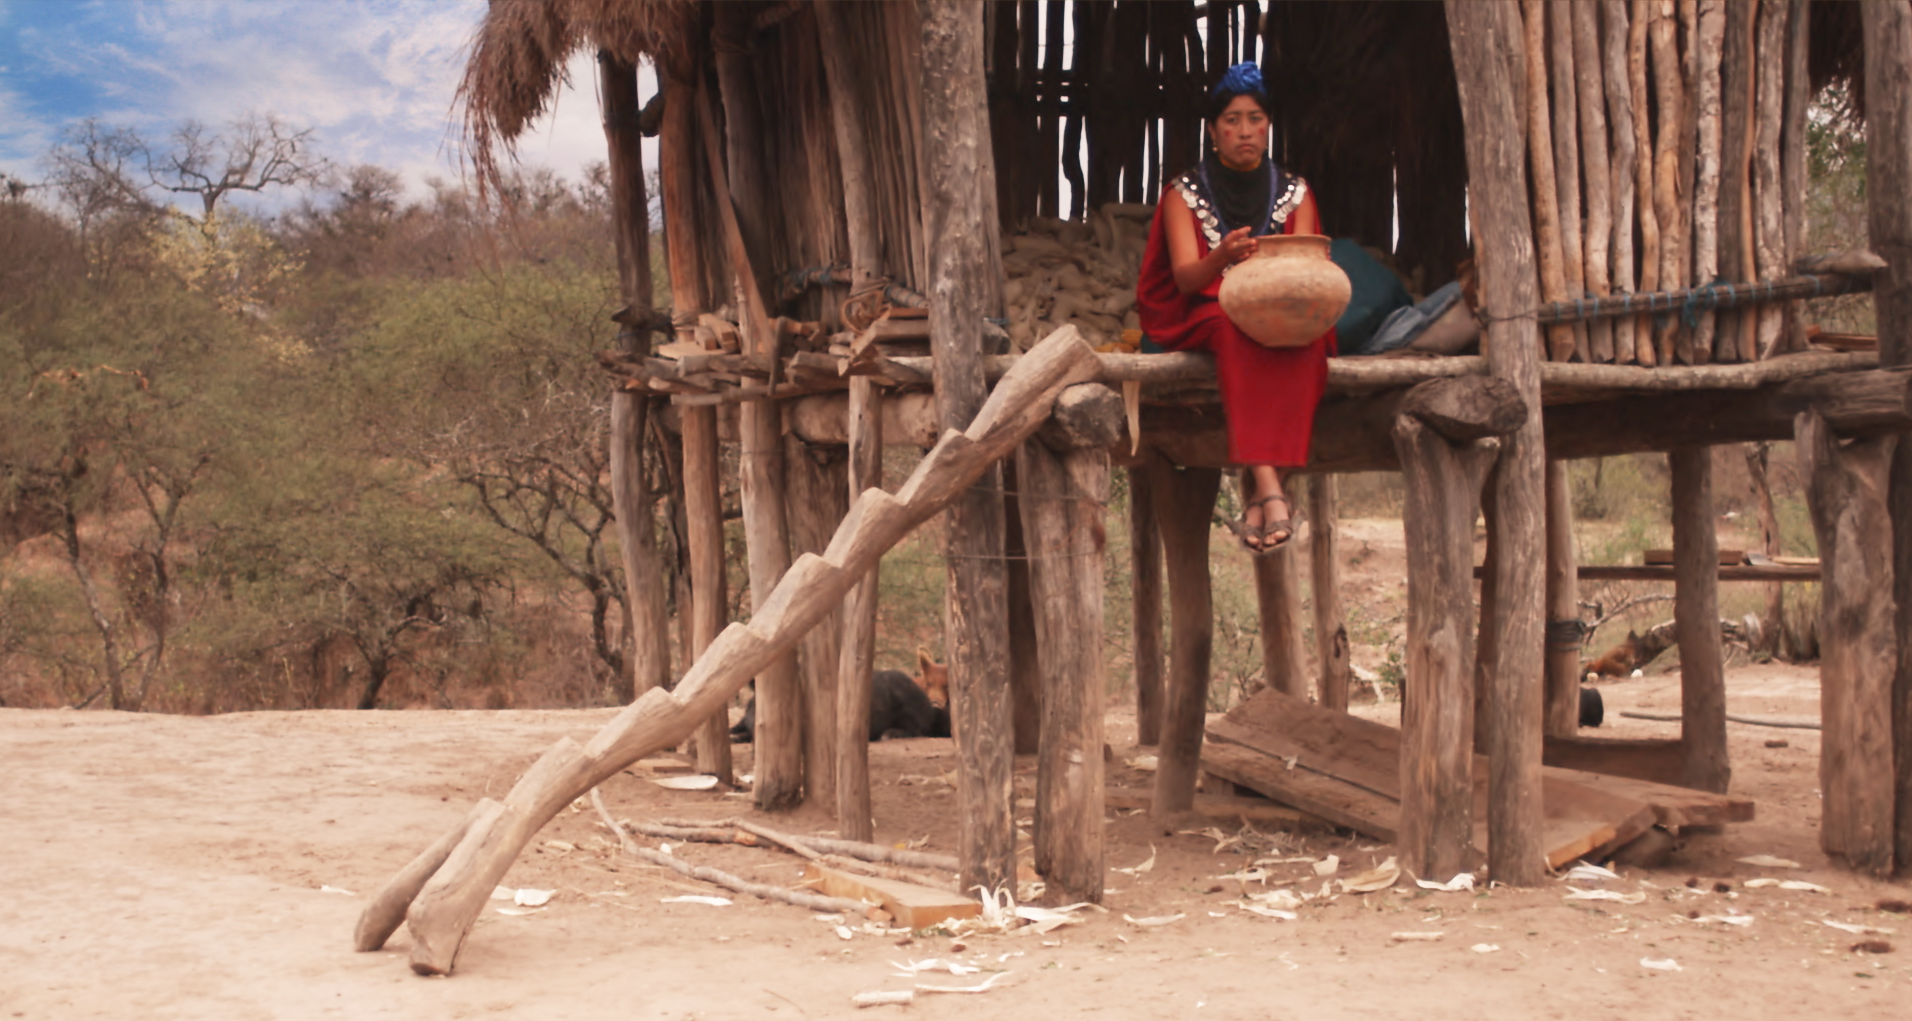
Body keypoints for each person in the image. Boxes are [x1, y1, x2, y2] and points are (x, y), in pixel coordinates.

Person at [1136, 62, 1332, 555]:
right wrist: (1220, 257)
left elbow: (1308, 265)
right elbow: (1184, 277)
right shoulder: (1184, 194)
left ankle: (1257, 503)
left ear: (1268, 126)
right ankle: (1271, 490)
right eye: (1231, 120)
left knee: (1310, 341)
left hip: (1281, 306)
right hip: (1206, 307)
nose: (1244, 131)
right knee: (1234, 330)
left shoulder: (1295, 191)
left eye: (1255, 119)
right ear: (1212, 131)